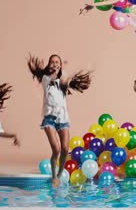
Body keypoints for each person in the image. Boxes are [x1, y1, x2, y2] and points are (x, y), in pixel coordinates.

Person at [27, 53, 92, 187]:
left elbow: (64, 81)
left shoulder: (63, 79)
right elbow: (50, 76)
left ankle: (59, 172)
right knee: (56, 149)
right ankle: (53, 176)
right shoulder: (45, 79)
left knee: (65, 148)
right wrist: (58, 68)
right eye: (52, 62)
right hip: (49, 119)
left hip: (63, 118)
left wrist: (64, 69)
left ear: (60, 65)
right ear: (48, 65)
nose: (54, 64)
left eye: (57, 62)